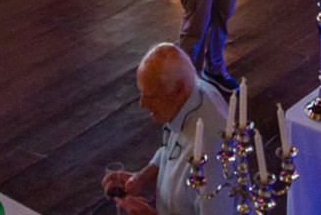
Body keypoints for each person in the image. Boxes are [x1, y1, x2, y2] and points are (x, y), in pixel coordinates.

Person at [100, 44, 234, 215]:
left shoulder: (211, 150)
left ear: (178, 90)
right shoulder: (190, 92)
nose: (142, 104)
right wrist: (141, 178)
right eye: (142, 94)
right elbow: (170, 150)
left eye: (151, 97)